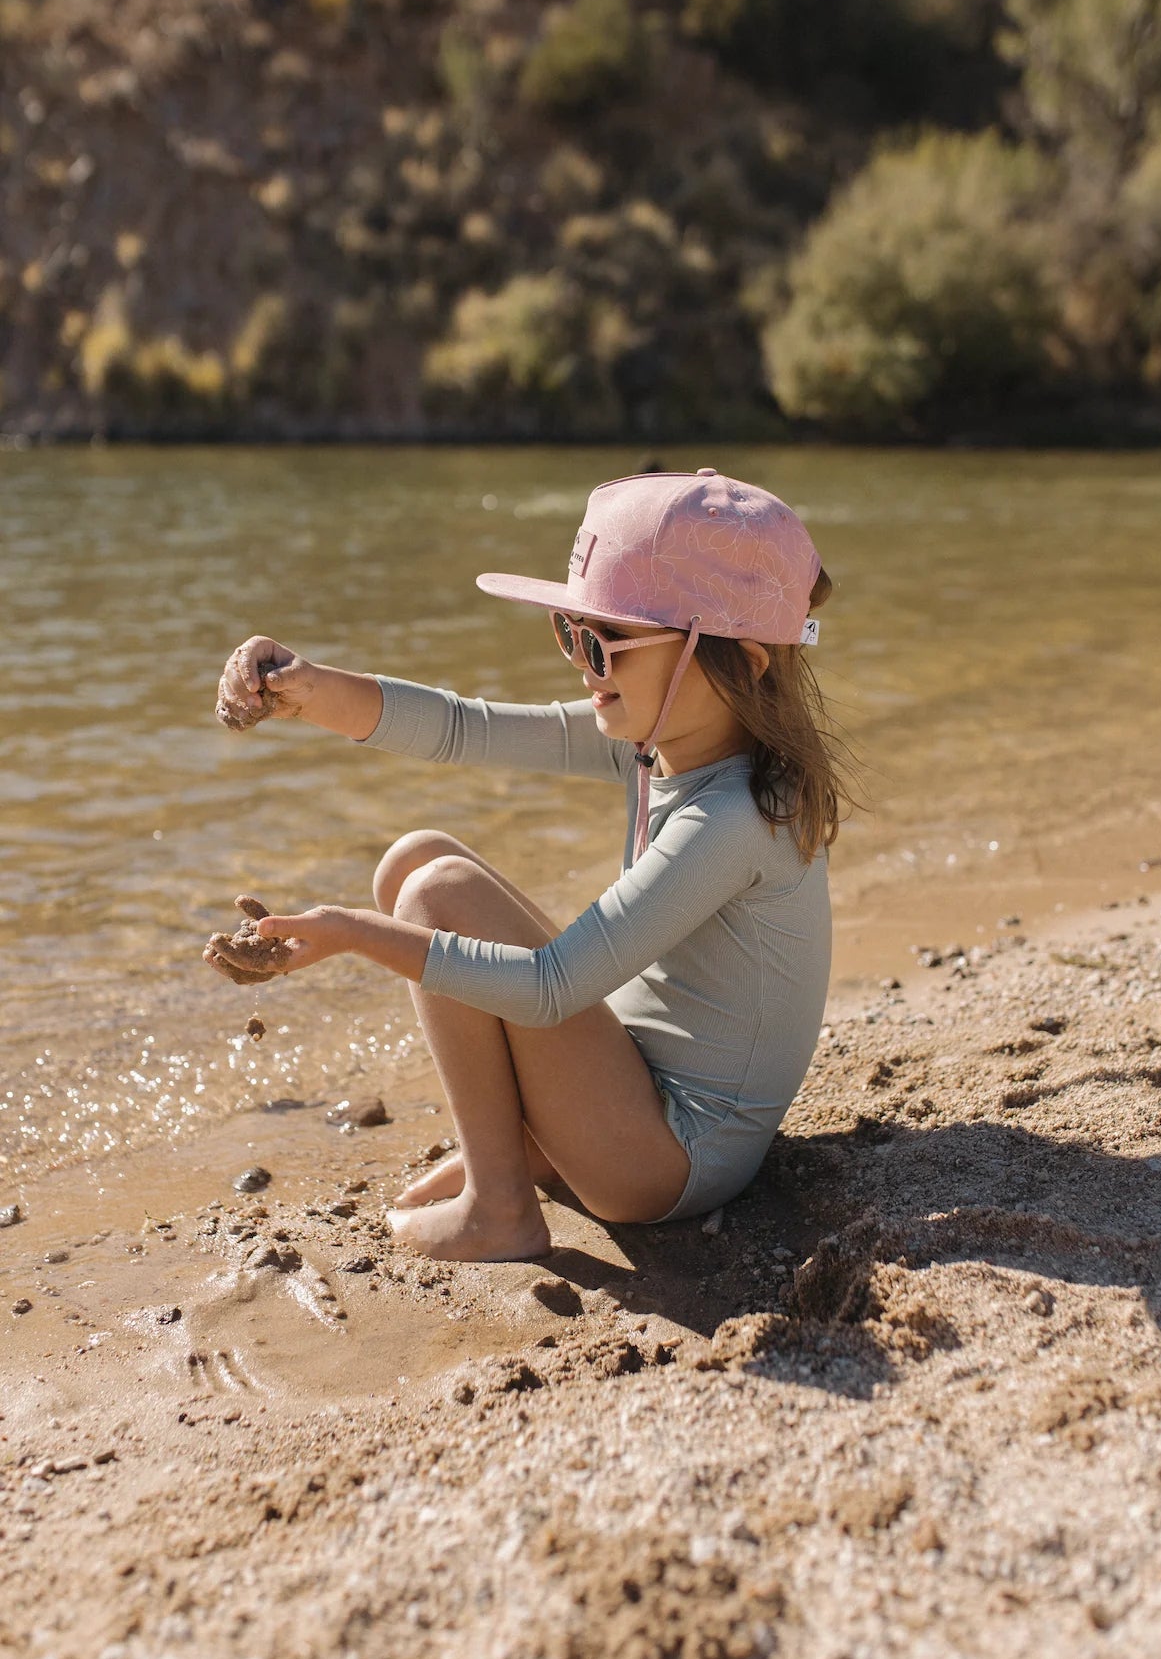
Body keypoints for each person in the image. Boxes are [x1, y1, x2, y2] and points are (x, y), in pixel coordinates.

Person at [205, 468, 851, 1263]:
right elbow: (462, 729)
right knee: (416, 859)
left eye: (606, 644)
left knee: (436, 892)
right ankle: (521, 1151)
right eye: (570, 634)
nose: (584, 666)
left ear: (743, 663)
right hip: (634, 1085)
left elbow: (550, 991)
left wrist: (347, 933)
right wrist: (304, 688)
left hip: (674, 1160)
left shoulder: (736, 816)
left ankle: (500, 1205)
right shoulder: (665, 743)